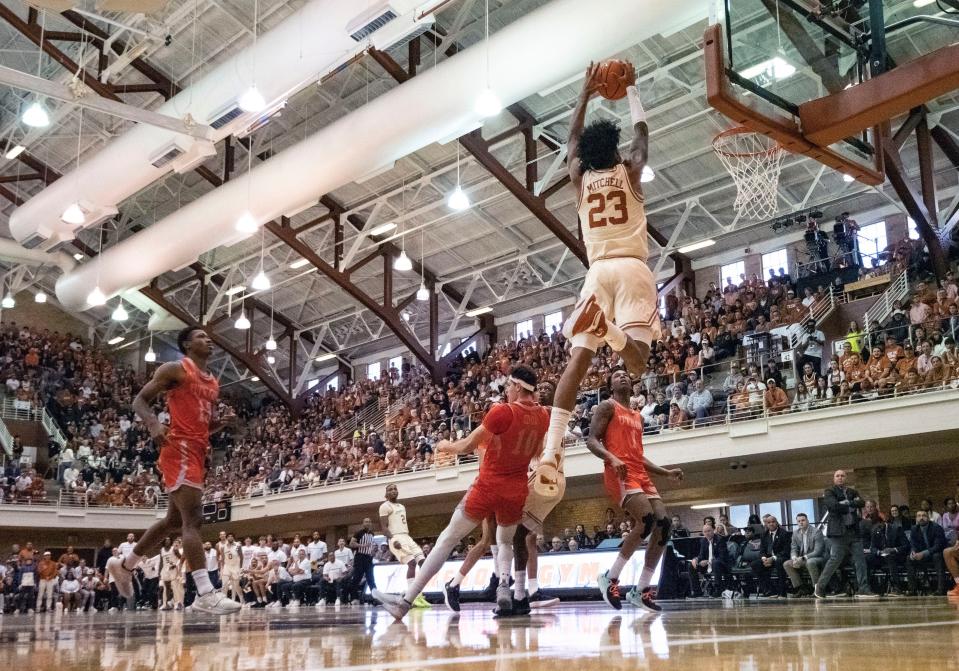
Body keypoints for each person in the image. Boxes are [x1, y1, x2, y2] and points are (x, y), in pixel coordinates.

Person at [541, 60, 658, 479]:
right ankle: (609, 331)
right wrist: (631, 90)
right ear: (616, 150)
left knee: (579, 358)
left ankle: (552, 448)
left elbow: (571, 140)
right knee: (639, 363)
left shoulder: (578, 177)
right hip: (631, 266)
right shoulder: (630, 170)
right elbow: (642, 135)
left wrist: (585, 94)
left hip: (596, 272)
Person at [374, 365, 549, 620]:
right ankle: (503, 584)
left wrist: (445, 445)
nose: (507, 391)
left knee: (447, 538)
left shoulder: (502, 411)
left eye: (509, 386)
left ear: (518, 387)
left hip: (488, 485)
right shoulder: (544, 415)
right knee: (505, 540)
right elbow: (536, 453)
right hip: (516, 489)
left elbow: (467, 445)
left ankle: (406, 600)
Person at [106, 326, 239, 614]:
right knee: (194, 519)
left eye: (210, 335)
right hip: (177, 448)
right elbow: (139, 400)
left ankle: (125, 565)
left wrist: (221, 423)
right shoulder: (176, 370)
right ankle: (205, 592)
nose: (209, 339)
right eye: (202, 336)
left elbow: (202, 426)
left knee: (172, 522)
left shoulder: (213, 383)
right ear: (188, 345)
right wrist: (154, 424)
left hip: (197, 450)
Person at [590, 369, 684, 612]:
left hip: (639, 473)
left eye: (625, 374)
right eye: (616, 374)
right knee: (648, 519)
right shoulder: (607, 407)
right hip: (619, 471)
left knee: (664, 525)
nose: (622, 376)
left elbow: (639, 456)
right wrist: (612, 459)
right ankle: (610, 577)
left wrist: (666, 472)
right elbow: (591, 440)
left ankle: (641, 590)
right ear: (610, 384)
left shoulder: (637, 416)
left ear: (632, 384)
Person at [815, 470, 877, 599]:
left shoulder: (852, 491)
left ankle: (863, 589)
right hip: (838, 532)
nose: (840, 478)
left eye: (842, 475)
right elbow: (833, 506)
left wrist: (847, 502)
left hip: (853, 531)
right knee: (835, 560)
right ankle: (820, 586)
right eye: (837, 476)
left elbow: (861, 503)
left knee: (860, 560)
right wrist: (850, 504)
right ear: (834, 478)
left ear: (846, 477)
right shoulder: (829, 491)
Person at [379, 485, 430, 609]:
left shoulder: (402, 506)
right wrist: (392, 539)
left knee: (423, 563)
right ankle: (413, 598)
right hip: (396, 537)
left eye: (395, 489)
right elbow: (384, 527)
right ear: (386, 493)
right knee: (412, 563)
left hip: (407, 536)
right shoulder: (385, 506)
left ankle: (417, 594)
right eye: (390, 490)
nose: (393, 491)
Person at [906, 509, 947, 595]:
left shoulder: (936, 528)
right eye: (919, 516)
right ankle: (912, 589)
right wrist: (913, 552)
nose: (921, 518)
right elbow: (913, 544)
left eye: (924, 516)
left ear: (928, 518)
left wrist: (923, 553)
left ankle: (941, 589)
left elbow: (938, 546)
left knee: (937, 556)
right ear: (916, 519)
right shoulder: (914, 529)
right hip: (922, 555)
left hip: (935, 553)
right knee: (909, 558)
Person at [783, 513, 824, 597]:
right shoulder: (795, 533)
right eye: (798, 521)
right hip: (802, 559)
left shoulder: (816, 532)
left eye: (803, 520)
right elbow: (793, 548)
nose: (801, 523)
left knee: (810, 562)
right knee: (787, 564)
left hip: (817, 558)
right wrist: (794, 558)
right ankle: (801, 588)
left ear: (807, 521)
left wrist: (803, 558)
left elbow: (818, 551)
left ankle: (817, 590)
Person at [751, 516, 791, 598]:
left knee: (779, 562)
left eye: (773, 522)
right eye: (769, 523)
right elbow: (762, 550)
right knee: (755, 564)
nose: (771, 524)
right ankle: (770, 590)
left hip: (780, 558)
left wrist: (773, 558)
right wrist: (764, 558)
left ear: (777, 522)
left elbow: (786, 551)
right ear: (766, 524)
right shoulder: (764, 535)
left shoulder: (784, 533)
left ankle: (782, 592)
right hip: (768, 559)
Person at [690, 524, 733, 596]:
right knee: (691, 565)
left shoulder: (720, 539)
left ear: (713, 530)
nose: (707, 533)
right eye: (705, 532)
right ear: (703, 533)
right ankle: (696, 591)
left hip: (721, 565)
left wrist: (708, 562)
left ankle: (718, 589)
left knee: (715, 563)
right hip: (708, 565)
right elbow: (701, 555)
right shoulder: (703, 541)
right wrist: (696, 559)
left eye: (709, 531)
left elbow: (722, 556)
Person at [348, 518, 377, 604]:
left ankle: (375, 597)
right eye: (366, 522)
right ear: (363, 524)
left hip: (368, 558)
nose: (368, 523)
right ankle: (354, 598)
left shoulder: (372, 534)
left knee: (371, 578)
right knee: (357, 578)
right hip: (359, 557)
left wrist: (372, 552)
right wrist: (363, 545)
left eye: (369, 522)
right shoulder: (359, 533)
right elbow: (351, 544)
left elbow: (371, 546)